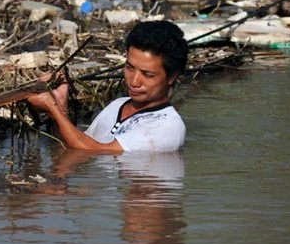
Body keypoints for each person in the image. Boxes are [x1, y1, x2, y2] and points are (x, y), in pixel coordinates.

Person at [28, 20, 189, 153]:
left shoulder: (168, 128)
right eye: (130, 68)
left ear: (172, 77)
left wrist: (53, 109)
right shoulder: (118, 105)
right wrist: (61, 107)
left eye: (148, 75)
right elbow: (75, 145)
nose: (134, 81)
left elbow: (95, 151)